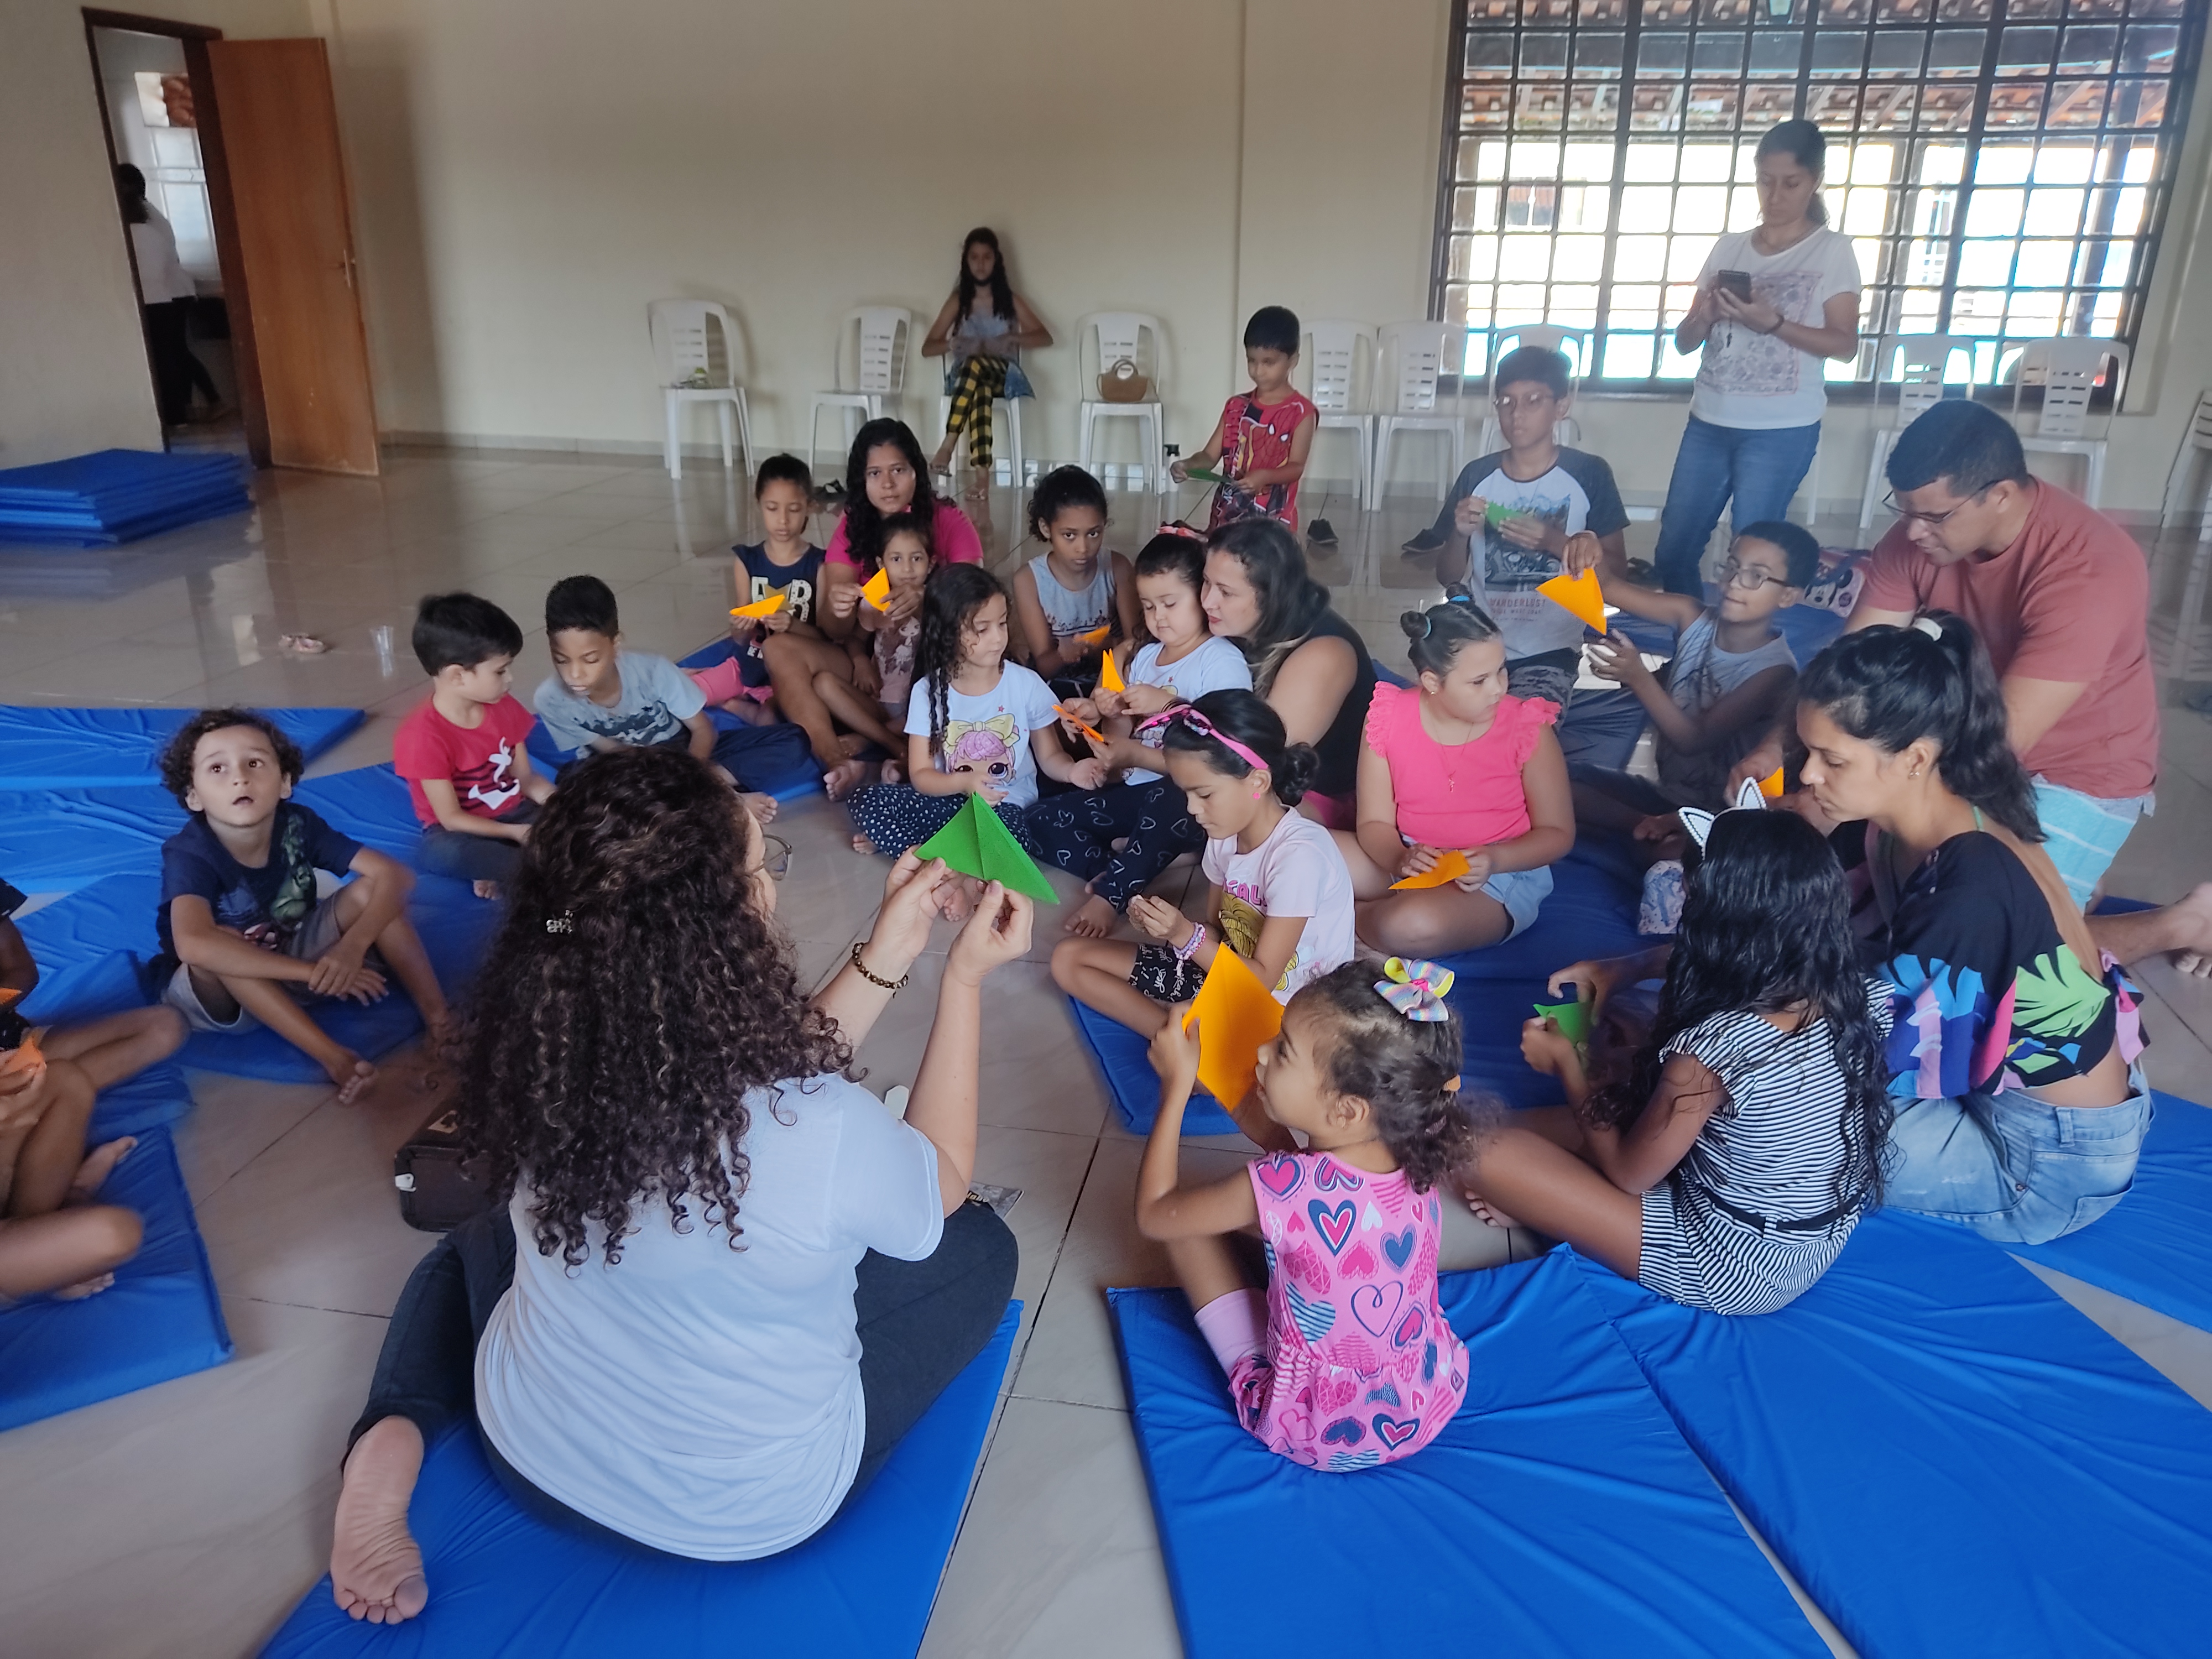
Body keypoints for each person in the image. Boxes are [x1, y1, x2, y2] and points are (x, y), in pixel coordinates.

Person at [324, 748, 1025, 1620]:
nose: (768, 883)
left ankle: (391, 1433)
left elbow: (754, 1073)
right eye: (757, 866)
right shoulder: (823, 1125)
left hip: (533, 1453)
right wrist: (962, 981)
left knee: (475, 1234)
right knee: (978, 1245)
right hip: (742, 1516)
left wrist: (888, 950)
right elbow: (942, 1185)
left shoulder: (539, 1053)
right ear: (731, 915)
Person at [1795, 615, 2149, 1244]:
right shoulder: (1930, 813)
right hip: (2060, 1100)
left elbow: (1860, 1057)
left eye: (1831, 760)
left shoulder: (1968, 887)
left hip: (2047, 1163)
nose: (1807, 776)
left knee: (1760, 1117)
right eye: (1809, 753)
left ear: (1914, 758)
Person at [1462, 809, 1890, 1314]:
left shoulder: (1716, 1050)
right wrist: (1626, 969)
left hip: (1733, 1266)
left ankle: (1545, 1208)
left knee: (1477, 1146)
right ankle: (1551, 1196)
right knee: (1532, 1121)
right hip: (1810, 1242)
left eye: (1690, 904)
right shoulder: (1861, 993)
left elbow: (1629, 1174)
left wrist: (1570, 1063)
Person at [1134, 961, 1474, 1470]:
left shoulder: (1282, 1187)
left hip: (1318, 1428)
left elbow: (1154, 1215)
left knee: (1187, 1229)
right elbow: (1320, 1201)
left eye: (1283, 1050)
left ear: (1347, 1111)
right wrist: (1274, 1137)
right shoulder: (1416, 1145)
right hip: (1425, 1395)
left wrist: (1175, 1089)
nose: (1262, 1054)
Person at [1050, 693, 1354, 1125]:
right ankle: (1181, 1039)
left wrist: (1182, 936)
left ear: (1258, 783)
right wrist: (1167, 925)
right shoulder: (1225, 835)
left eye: (1204, 793)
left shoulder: (1298, 857)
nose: (1193, 809)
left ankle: (1187, 1045)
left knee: (1189, 1061)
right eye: (1186, 793)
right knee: (1069, 959)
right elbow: (1215, 931)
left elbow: (1262, 979)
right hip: (1223, 974)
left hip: (1286, 1008)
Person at [152, 710, 445, 1106]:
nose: (240, 777)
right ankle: (334, 1058)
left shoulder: (298, 824)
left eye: (254, 763)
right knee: (219, 942)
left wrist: (351, 948)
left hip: (296, 952)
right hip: (227, 994)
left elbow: (395, 877)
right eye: (217, 768)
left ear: (285, 783)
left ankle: (441, 1022)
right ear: (194, 796)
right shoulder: (191, 852)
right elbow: (192, 946)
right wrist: (310, 972)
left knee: (371, 891)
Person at [1652, 121, 1861, 596]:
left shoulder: (1833, 251)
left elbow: (1845, 346)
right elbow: (1685, 343)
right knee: (1674, 549)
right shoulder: (1729, 247)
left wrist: (1774, 324)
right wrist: (1703, 317)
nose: (1776, 194)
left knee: (1754, 556)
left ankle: (1737, 659)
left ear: (1815, 181)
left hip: (1781, 430)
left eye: (1791, 183)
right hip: (1710, 420)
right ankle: (1688, 645)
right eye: (1766, 180)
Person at [1032, 532, 1254, 938]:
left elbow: (1226, 751)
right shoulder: (1146, 656)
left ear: (1202, 597)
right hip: (1136, 792)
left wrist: (1163, 711)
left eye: (1171, 604)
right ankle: (1127, 866)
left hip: (1186, 800)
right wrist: (1099, 716)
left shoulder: (1220, 659)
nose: (1158, 618)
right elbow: (1123, 733)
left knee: (1174, 797)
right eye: (1149, 606)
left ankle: (1115, 891)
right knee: (1039, 819)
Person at [1344, 592, 1573, 957]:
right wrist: (1400, 858)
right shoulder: (1388, 716)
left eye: (1502, 669)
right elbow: (1374, 822)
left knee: (1411, 926)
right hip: (1407, 854)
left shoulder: (1527, 725)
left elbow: (1559, 834)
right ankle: (1361, 921)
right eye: (1479, 681)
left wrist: (1495, 860)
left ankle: (1344, 919)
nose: (1499, 688)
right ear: (1433, 682)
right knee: (1300, 853)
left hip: (1496, 876)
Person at [1570, 521, 1813, 853]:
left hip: (1720, 816)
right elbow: (1606, 587)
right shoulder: (1691, 614)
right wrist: (1583, 542)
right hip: (1667, 796)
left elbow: (1693, 740)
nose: (1732, 583)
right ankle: (1646, 825)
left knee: (1670, 857)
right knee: (1556, 784)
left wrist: (1638, 677)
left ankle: (1659, 835)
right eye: (1731, 566)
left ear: (1788, 596)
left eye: (1755, 576)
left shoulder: (1775, 672)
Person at [1415, 345, 1630, 714]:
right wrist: (1460, 534)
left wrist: (1554, 541)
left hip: (1551, 650)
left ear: (1561, 406)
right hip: (1478, 640)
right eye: (1506, 401)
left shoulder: (1589, 473)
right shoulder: (1477, 476)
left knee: (1525, 732)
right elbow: (1447, 575)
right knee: (1445, 725)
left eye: (1533, 401)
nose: (1517, 414)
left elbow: (1618, 575)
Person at [769, 420, 982, 786]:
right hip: (872, 667)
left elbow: (978, 607)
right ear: (861, 480)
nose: (887, 484)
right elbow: (833, 630)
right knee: (778, 649)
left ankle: (885, 739)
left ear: (917, 471)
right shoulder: (853, 524)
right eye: (875, 473)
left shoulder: (948, 521)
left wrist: (926, 600)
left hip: (935, 667)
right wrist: (840, 609)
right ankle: (835, 758)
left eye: (898, 470)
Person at [1, 877, 183, 1301]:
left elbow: (20, 972)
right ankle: (43, 1246)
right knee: (112, 1233)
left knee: (72, 1075)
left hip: (14, 1048)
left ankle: (54, 1207)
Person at [846, 564, 1103, 860]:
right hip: (949, 802)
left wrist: (1072, 771)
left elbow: (1050, 757)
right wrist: (963, 783)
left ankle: (935, 857)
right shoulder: (927, 691)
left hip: (1004, 808)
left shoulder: (1025, 683)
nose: (997, 638)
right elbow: (921, 775)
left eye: (1003, 624)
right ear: (947, 634)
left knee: (1013, 836)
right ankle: (945, 856)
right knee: (867, 799)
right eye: (982, 629)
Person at [533, 575, 795, 823]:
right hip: (626, 765)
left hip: (682, 752)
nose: (574, 675)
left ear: (615, 645)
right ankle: (720, 798)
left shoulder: (654, 671)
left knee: (793, 740)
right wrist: (647, 772)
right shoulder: (550, 699)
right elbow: (610, 752)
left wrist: (688, 775)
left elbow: (703, 730)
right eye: (561, 660)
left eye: (590, 659)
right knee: (573, 782)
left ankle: (700, 792)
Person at [1200, 519, 1376, 827]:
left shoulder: (1324, 654)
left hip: (1325, 798)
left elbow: (1257, 760)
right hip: (1266, 781)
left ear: (1271, 597)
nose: (1207, 602)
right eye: (1206, 583)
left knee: (1200, 814)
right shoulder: (1241, 623)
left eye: (1226, 593)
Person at [392, 593, 553, 900]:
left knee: (581, 828)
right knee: (442, 853)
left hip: (516, 812)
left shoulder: (504, 707)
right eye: (500, 671)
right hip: (459, 831)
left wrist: (562, 806)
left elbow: (526, 779)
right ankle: (513, 868)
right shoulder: (422, 736)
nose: (511, 679)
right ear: (457, 675)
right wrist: (515, 834)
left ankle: (511, 868)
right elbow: (451, 818)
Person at [693, 455, 827, 726]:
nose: (783, 520)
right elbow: (740, 638)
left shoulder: (819, 565)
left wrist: (792, 625)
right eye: (772, 508)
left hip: (785, 677)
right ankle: (731, 696)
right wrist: (740, 627)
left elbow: (824, 640)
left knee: (772, 723)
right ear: (759, 506)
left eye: (793, 509)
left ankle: (744, 709)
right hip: (746, 664)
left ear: (809, 508)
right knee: (687, 696)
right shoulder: (747, 560)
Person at [806, 509, 934, 785]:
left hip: (920, 706)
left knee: (937, 709)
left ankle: (870, 740)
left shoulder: (938, 604)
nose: (908, 569)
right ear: (881, 563)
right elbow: (855, 640)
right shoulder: (874, 602)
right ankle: (891, 743)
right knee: (824, 683)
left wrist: (924, 604)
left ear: (932, 564)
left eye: (917, 559)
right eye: (896, 559)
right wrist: (861, 663)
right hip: (880, 701)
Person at [1171, 306, 1319, 531]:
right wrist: (1188, 465)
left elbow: (1296, 467)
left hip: (1272, 526)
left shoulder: (1302, 412)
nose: (1258, 371)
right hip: (1227, 519)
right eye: (1252, 360)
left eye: (1269, 362)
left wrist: (1266, 476)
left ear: (1293, 361)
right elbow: (1209, 456)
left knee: (1262, 567)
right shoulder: (1236, 406)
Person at [922, 228, 1052, 486]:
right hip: (966, 381)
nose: (981, 264)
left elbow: (1044, 337)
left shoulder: (1009, 299)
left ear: (996, 260)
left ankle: (948, 445)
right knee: (978, 389)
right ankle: (982, 479)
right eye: (974, 258)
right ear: (966, 262)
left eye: (987, 257)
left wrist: (1013, 339)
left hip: (1004, 376)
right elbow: (927, 348)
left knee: (976, 366)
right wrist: (951, 343)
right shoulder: (958, 301)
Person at [1011, 466, 1137, 682]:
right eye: (1069, 535)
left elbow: (1137, 648)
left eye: (1094, 533)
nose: (1083, 548)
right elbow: (1044, 666)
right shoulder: (1029, 581)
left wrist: (1103, 648)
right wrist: (1064, 654)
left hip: (1112, 678)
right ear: (1045, 528)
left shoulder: (1118, 569)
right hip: (1059, 683)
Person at [116, 163, 219, 428]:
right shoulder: (145, 216)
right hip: (168, 290)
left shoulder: (142, 219)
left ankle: (191, 409)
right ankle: (186, 409)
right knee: (173, 353)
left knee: (171, 354)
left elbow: (159, 261)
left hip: (168, 291)